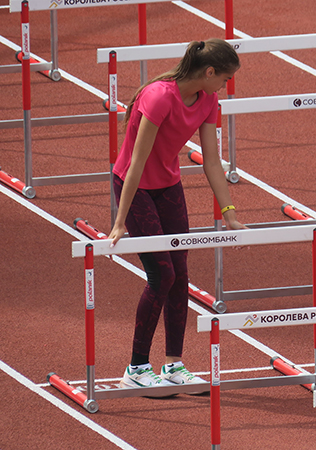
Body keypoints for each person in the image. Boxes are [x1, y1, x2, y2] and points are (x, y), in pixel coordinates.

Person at [107, 39, 245, 391]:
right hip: (135, 188)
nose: (225, 87)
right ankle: (136, 369)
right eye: (225, 79)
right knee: (162, 274)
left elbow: (213, 162)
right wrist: (120, 220)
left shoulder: (208, 100)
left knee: (180, 273)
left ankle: (173, 365)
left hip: (168, 187)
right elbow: (136, 161)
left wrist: (229, 214)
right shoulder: (158, 97)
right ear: (209, 72)